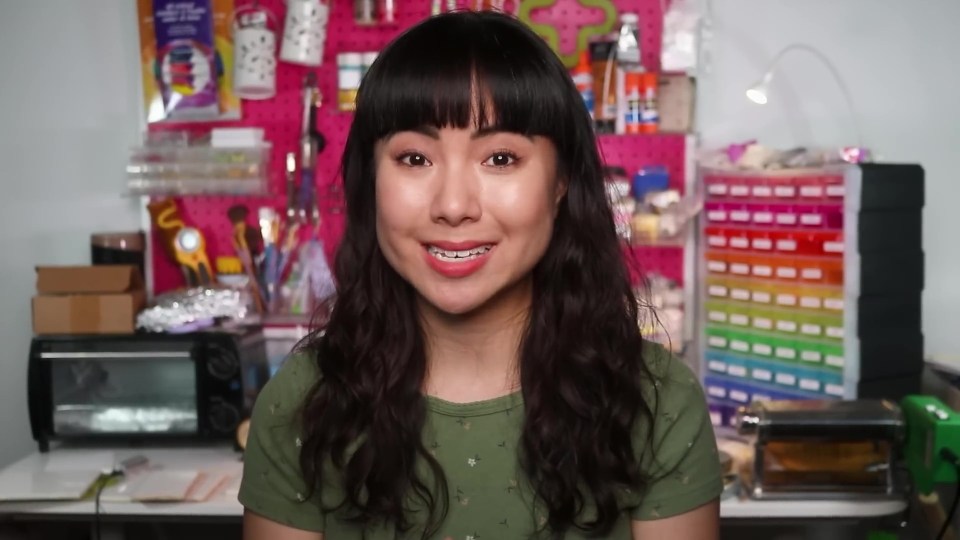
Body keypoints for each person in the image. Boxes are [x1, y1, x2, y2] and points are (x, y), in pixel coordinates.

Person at [239, 10, 721, 540]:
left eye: (499, 157)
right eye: (415, 158)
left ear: (561, 182)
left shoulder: (657, 403)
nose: (452, 206)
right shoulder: (302, 407)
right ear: (370, 181)